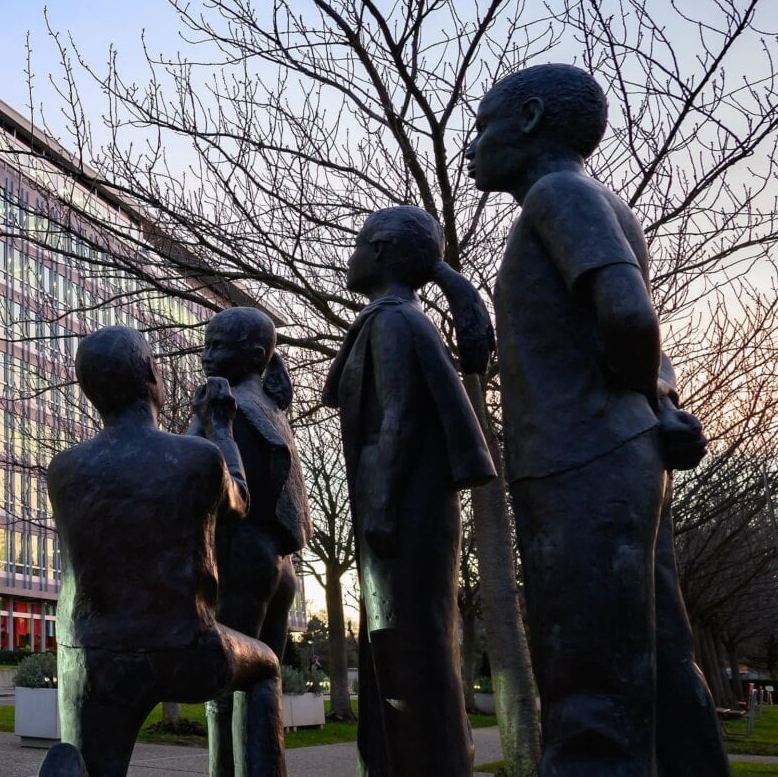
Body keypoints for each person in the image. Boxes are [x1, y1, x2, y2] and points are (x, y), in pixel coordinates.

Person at [466, 64, 726, 777]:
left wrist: (644, 394)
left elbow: (629, 315)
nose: (471, 146)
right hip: (618, 455)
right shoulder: (598, 200)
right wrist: (659, 404)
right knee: (665, 672)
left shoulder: (558, 194)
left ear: (530, 118)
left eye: (482, 124)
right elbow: (629, 323)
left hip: (581, 464)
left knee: (589, 691)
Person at [44, 326, 279, 777]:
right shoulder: (201, 458)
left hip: (94, 654)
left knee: (92, 762)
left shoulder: (63, 470)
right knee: (265, 668)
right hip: (186, 646)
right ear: (153, 374)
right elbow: (239, 500)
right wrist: (222, 429)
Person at [325, 206, 497, 776]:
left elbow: (398, 414)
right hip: (398, 503)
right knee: (398, 656)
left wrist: (382, 506)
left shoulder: (396, 321)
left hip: (401, 510)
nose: (347, 258)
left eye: (356, 245)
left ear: (379, 253)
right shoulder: (388, 318)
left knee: (411, 658)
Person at [184, 307, 306, 777]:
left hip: (242, 560)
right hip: (279, 566)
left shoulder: (229, 406)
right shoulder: (273, 408)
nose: (207, 354)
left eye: (218, 346)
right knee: (262, 685)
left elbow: (191, 472)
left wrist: (203, 421)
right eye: (206, 343)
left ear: (255, 355)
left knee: (228, 684)